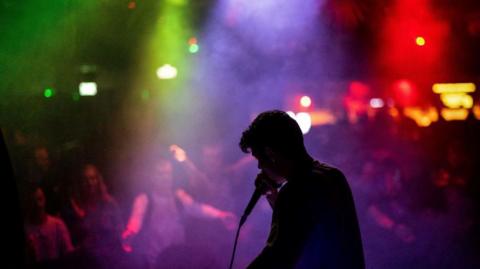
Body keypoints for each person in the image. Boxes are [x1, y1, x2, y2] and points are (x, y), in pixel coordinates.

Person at [239, 110, 365, 269]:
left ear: (271, 154)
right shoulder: (333, 176)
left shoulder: (295, 191)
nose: (259, 167)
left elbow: (276, 257)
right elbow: (306, 229)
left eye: (258, 159)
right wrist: (276, 200)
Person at [24, 186, 74, 263]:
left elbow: (69, 253)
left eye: (39, 199)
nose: (37, 205)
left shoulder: (57, 224)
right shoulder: (26, 229)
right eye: (33, 201)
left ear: (44, 199)